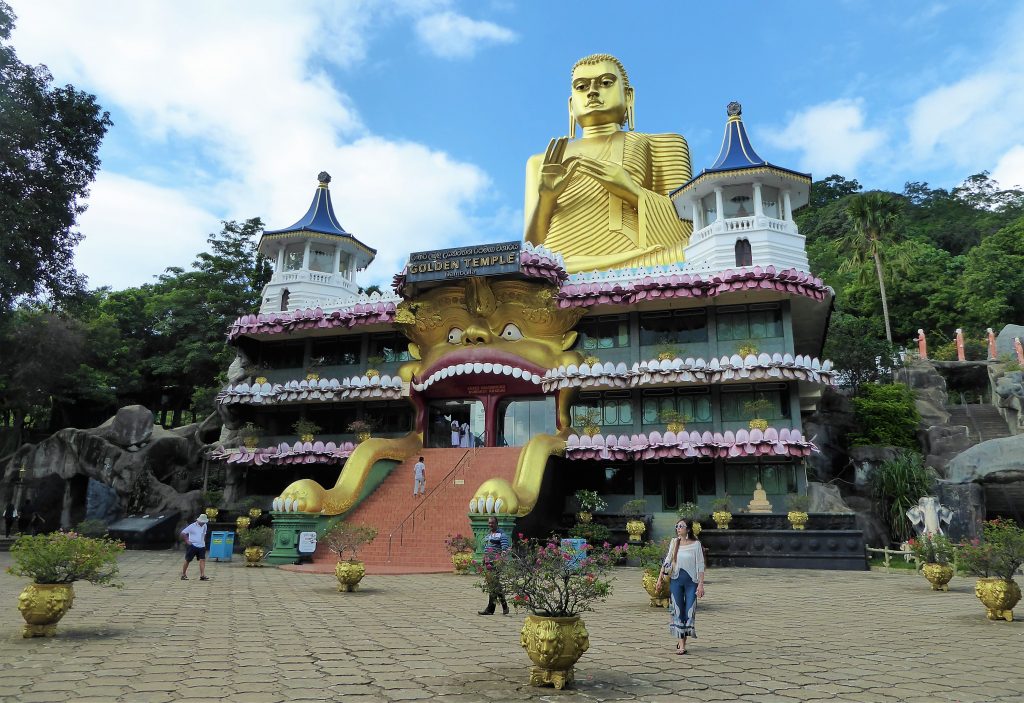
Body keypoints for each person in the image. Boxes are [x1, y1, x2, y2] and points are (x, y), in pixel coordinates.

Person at [524, 53, 692, 273]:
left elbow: (686, 228)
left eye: (605, 83)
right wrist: (547, 198)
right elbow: (531, 249)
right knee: (525, 268)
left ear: (628, 96)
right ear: (571, 105)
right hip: (560, 266)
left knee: (692, 250)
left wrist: (631, 191)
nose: (592, 91)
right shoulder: (542, 161)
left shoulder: (663, 143)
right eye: (582, 87)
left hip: (636, 261)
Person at [656, 519, 705, 655]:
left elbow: (700, 565)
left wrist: (701, 584)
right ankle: (682, 644)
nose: (678, 528)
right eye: (677, 526)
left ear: (688, 529)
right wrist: (659, 580)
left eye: (681, 526)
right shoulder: (674, 542)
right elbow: (667, 562)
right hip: (676, 581)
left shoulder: (696, 545)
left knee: (689, 611)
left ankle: (683, 640)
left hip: (692, 582)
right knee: (678, 610)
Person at [478, 516, 510, 615]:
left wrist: (500, 561)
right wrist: (484, 559)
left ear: (497, 523)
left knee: (493, 585)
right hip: (488, 563)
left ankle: (490, 609)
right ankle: (504, 606)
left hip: (496, 563)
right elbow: (487, 547)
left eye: (492, 523)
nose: (490, 525)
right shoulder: (489, 534)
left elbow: (505, 549)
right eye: (489, 523)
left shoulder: (502, 535)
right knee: (495, 585)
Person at [180, 514, 210, 581]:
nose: (203, 523)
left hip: (201, 546)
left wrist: (204, 543)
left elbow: (204, 534)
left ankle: (202, 575)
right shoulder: (192, 526)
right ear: (199, 520)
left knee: (202, 560)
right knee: (188, 560)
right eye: (202, 522)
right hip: (193, 545)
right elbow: (183, 533)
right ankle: (183, 574)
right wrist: (187, 540)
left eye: (204, 522)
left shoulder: (205, 525)